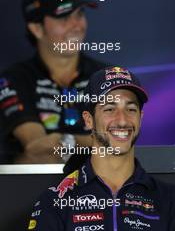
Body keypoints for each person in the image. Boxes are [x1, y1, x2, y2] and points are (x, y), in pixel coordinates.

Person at [26, 66, 175, 230]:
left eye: (131, 109)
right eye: (110, 109)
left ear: (141, 118)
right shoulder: (56, 202)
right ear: (88, 120)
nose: (122, 121)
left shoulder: (168, 199)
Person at [0, 0, 107, 164]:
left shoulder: (107, 76)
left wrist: (66, 142)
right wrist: (91, 143)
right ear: (36, 28)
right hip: (31, 190)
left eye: (80, 13)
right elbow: (39, 148)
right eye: (64, 17)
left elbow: (120, 142)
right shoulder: (13, 79)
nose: (77, 26)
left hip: (103, 190)